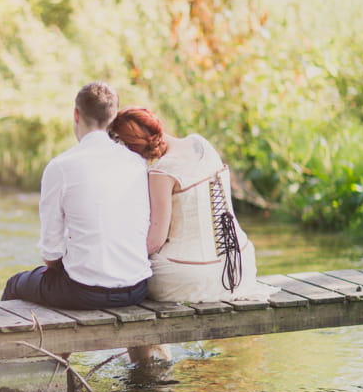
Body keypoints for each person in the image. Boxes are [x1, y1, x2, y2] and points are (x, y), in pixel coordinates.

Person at [1, 83, 151, 310]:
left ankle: (24, 345)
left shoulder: (61, 166)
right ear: (112, 117)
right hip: (136, 289)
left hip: (84, 291)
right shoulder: (137, 163)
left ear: (76, 114)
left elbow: (51, 253)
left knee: (15, 284)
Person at [108, 106, 275, 304]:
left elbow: (155, 241)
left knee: (129, 270)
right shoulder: (200, 144)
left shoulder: (161, 172)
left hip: (189, 277)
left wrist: (118, 259)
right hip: (240, 267)